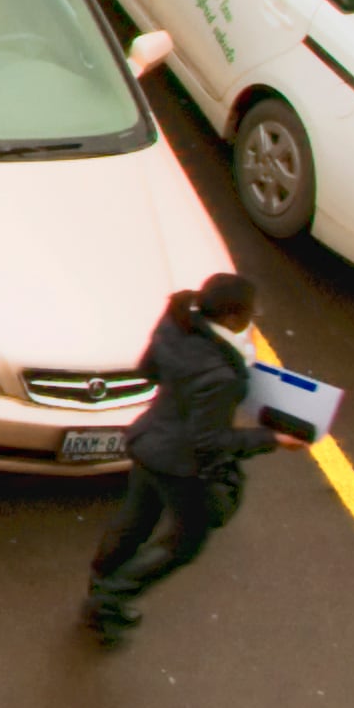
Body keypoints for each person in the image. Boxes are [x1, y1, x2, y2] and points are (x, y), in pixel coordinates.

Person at [84, 271, 300, 645]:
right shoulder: (219, 374)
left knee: (135, 519)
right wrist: (272, 438)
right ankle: (110, 598)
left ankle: (101, 582)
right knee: (185, 542)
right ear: (233, 318)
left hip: (150, 440)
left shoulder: (176, 323)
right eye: (251, 312)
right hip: (179, 466)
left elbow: (147, 369)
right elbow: (210, 442)